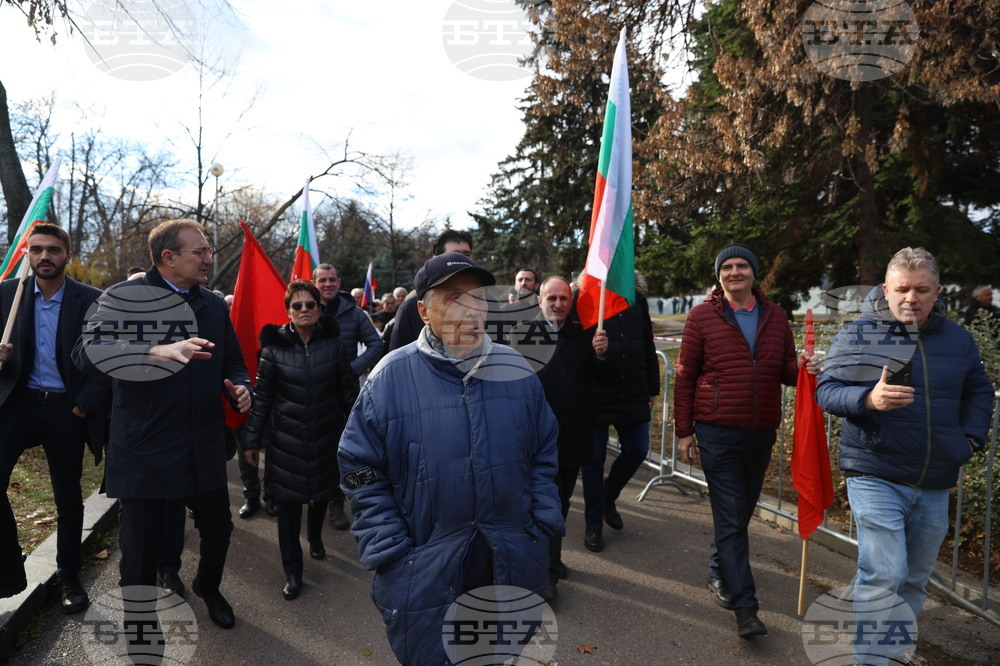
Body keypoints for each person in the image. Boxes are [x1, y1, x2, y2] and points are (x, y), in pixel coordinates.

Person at [339, 252, 563, 665]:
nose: (471, 309)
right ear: (424, 311)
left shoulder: (518, 371)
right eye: (455, 298)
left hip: (509, 558)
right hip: (423, 565)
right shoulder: (389, 378)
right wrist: (390, 546)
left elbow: (544, 449)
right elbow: (357, 469)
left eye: (478, 298)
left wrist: (541, 522)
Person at [816, 247, 993, 663]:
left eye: (921, 290)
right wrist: (868, 399)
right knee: (884, 574)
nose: (911, 298)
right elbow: (827, 390)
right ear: (885, 289)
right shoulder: (859, 334)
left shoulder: (959, 339)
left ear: (937, 292)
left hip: (934, 479)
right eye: (902, 289)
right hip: (875, 471)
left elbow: (980, 391)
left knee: (913, 579)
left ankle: (892, 653)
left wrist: (971, 440)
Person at [74, 219, 252, 630]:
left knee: (219, 532)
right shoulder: (124, 297)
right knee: (139, 553)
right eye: (201, 252)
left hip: (203, 444)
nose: (210, 258)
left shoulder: (212, 304)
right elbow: (86, 352)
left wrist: (241, 388)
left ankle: (209, 587)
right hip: (145, 450)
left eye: (210, 251)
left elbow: (234, 363)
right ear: (168, 257)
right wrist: (154, 349)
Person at [673, 244, 817, 639]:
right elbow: (684, 375)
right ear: (719, 276)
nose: (735, 272)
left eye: (742, 266)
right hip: (717, 431)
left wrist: (803, 366)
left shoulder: (775, 316)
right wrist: (684, 430)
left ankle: (719, 571)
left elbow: (785, 370)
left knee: (739, 513)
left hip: (760, 432)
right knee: (732, 517)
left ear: (754, 273)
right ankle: (745, 607)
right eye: (727, 267)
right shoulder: (702, 316)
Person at [0, 224, 111, 610]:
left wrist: (82, 405)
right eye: (37, 250)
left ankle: (69, 579)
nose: (44, 256)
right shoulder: (6, 296)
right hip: (18, 404)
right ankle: (9, 570)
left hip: (67, 407)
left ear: (68, 255)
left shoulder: (93, 301)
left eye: (53, 250)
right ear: (27, 255)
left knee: (67, 497)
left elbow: (108, 363)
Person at [242, 281, 358, 600]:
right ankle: (292, 571)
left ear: (320, 310)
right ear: (287, 311)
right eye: (297, 305)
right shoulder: (273, 350)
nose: (304, 310)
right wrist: (252, 440)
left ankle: (317, 540)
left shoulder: (333, 347)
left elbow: (349, 394)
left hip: (326, 438)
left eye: (310, 305)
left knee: (321, 496)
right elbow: (262, 398)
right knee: (289, 508)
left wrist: (359, 433)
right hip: (286, 443)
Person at [508, 276, 608, 601]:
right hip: (536, 442)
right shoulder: (523, 337)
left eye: (564, 299)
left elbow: (596, 380)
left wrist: (601, 356)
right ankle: (545, 574)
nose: (558, 305)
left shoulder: (582, 336)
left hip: (572, 438)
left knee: (561, 503)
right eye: (552, 298)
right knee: (540, 504)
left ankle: (552, 558)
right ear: (539, 300)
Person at [580, 272, 659, 553]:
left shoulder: (636, 299)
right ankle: (593, 525)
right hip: (595, 393)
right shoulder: (585, 298)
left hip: (633, 390)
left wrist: (653, 387)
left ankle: (607, 496)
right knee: (592, 459)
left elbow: (647, 343)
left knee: (637, 449)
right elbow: (578, 350)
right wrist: (596, 352)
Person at [312, 263, 384, 530]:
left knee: (345, 450)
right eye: (323, 280)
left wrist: (350, 371)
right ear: (314, 282)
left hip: (344, 395)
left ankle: (337, 501)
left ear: (339, 281)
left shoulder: (354, 313)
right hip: (312, 392)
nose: (328, 284)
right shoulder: (306, 309)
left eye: (332, 279)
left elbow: (377, 344)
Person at [387, 229, 474, 352]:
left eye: (467, 255)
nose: (463, 262)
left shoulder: (487, 304)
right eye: (454, 255)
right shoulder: (410, 308)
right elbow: (397, 360)